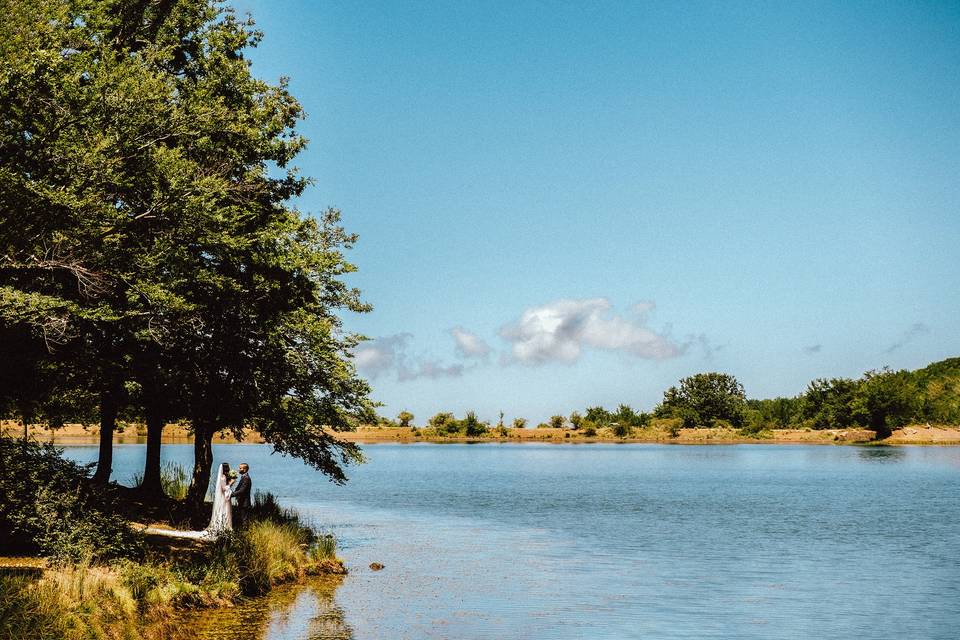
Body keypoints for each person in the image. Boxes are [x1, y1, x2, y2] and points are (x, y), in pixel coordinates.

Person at [231, 463, 251, 527]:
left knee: (244, 519)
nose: (239, 469)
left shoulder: (246, 478)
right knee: (242, 518)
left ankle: (245, 533)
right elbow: (239, 488)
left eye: (240, 468)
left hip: (245, 503)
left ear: (244, 470)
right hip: (242, 502)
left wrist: (232, 494)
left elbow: (242, 490)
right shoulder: (244, 477)